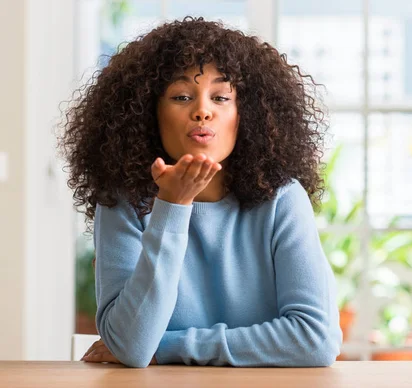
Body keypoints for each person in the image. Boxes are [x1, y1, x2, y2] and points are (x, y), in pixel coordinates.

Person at [58, 16, 341, 368]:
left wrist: (168, 348)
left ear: (246, 113)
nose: (203, 111)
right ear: (149, 112)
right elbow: (130, 346)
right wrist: (172, 207)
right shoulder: (123, 202)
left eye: (221, 97)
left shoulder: (282, 199)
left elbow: (314, 339)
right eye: (181, 96)